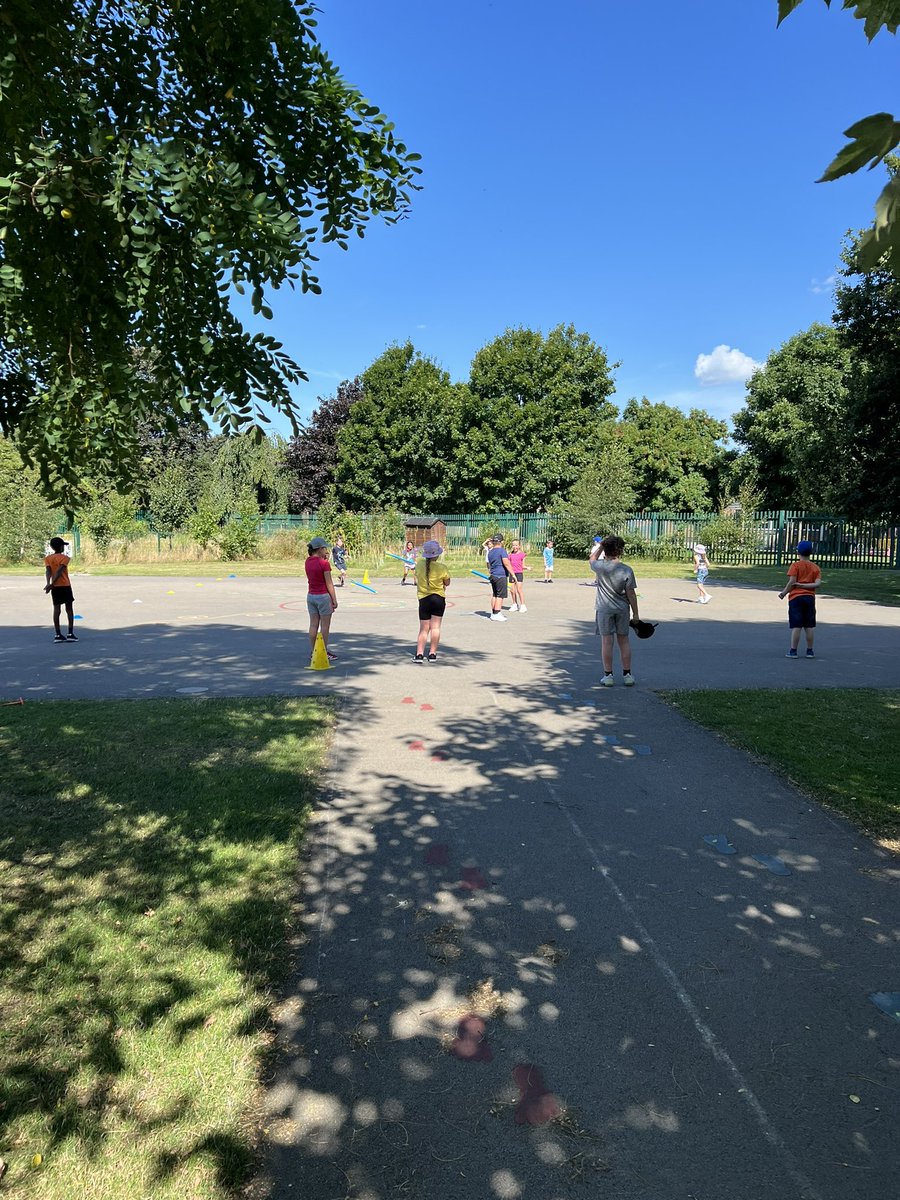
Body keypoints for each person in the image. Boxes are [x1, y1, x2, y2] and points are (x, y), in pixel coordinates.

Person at [589, 535, 640, 686]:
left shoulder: (600, 566)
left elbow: (591, 558)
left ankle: (608, 675)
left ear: (606, 550)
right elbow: (631, 593)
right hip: (622, 609)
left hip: (604, 609)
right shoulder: (626, 570)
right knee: (624, 641)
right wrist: (636, 613)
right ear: (621, 551)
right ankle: (627, 674)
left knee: (606, 642)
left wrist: (600, 546)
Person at [778, 539, 821, 658]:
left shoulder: (795, 566)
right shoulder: (815, 567)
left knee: (796, 625)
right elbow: (817, 584)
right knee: (809, 626)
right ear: (811, 552)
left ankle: (793, 651)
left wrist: (784, 593)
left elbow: (792, 582)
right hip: (809, 598)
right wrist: (806, 586)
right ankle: (810, 651)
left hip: (796, 598)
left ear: (798, 552)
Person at [413, 539, 450, 662]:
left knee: (424, 628)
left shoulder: (419, 564)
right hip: (438, 598)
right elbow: (447, 582)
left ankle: (419, 654)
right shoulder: (442, 567)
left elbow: (417, 576)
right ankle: (432, 653)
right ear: (437, 555)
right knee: (435, 627)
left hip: (424, 598)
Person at [305, 535, 338, 660]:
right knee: (325, 626)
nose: (326, 551)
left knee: (313, 624)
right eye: (324, 548)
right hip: (323, 596)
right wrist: (334, 599)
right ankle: (323, 651)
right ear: (319, 549)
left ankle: (314, 650)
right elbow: (329, 583)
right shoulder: (324, 564)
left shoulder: (307, 561)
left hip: (311, 596)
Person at [44, 536, 77, 642]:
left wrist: (49, 583)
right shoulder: (65, 558)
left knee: (56, 609)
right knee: (69, 609)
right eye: (63, 545)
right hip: (65, 585)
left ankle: (57, 634)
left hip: (55, 588)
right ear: (61, 546)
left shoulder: (48, 558)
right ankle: (70, 633)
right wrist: (52, 583)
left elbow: (48, 571)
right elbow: (59, 571)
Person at [485, 534, 514, 621]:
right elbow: (506, 563)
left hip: (493, 575)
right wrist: (513, 574)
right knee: (500, 596)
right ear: (501, 542)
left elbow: (489, 564)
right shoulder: (502, 551)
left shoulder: (490, 551)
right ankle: (497, 613)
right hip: (500, 575)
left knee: (495, 594)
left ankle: (493, 613)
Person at [507, 539, 529, 612]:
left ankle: (523, 605)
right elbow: (508, 564)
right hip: (511, 573)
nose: (515, 546)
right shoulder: (510, 555)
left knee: (519, 589)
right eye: (513, 545)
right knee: (512, 590)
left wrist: (527, 567)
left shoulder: (522, 555)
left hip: (519, 573)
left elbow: (522, 565)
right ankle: (514, 604)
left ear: (519, 546)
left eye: (516, 545)